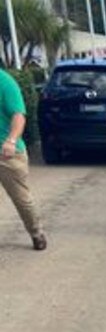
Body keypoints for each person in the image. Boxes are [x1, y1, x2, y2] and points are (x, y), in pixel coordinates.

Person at [0, 67, 47, 251]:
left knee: (21, 199)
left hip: (7, 153)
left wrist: (11, 140)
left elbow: (18, 115)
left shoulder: (6, 83)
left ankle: (36, 232)